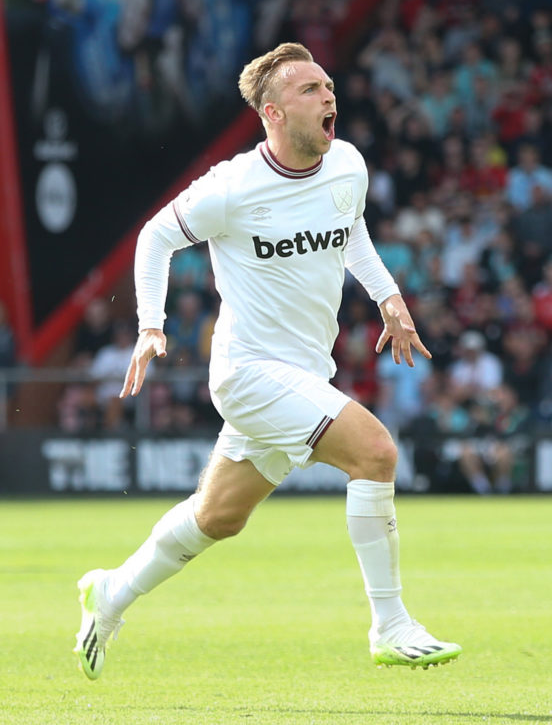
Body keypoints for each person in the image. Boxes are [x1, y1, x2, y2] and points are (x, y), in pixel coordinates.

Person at [73, 43, 461, 680]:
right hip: (247, 372)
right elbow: (154, 237)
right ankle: (390, 624)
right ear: (274, 113)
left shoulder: (348, 165)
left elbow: (351, 225)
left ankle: (110, 594)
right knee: (377, 453)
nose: (328, 96)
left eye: (328, 84)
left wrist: (389, 297)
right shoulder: (232, 187)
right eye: (310, 90)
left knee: (217, 519)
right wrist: (150, 325)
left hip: (304, 373)